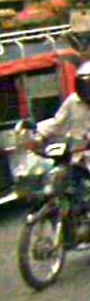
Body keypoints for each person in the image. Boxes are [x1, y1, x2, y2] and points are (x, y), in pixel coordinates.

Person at [34, 61, 90, 211]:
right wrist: (38, 135)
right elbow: (57, 123)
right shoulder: (73, 102)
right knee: (55, 182)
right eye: (85, 85)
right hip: (75, 158)